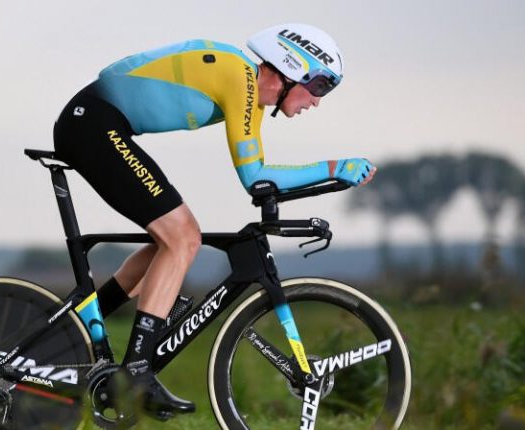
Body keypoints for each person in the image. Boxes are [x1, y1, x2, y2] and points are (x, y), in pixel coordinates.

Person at [53, 23, 376, 417]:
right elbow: (255, 177)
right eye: (320, 86)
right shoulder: (240, 78)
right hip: (92, 125)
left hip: (95, 123)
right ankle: (136, 371)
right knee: (183, 238)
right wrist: (333, 167)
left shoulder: (247, 92)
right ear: (292, 69)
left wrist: (327, 178)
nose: (317, 101)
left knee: (169, 242)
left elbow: (261, 180)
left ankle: (75, 328)